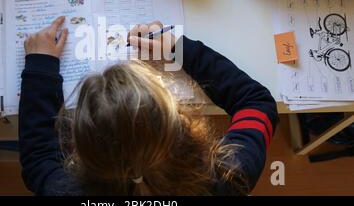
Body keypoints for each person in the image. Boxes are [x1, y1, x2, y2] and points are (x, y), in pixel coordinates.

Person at [19, 16, 278, 195]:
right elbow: (257, 103)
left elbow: (39, 159)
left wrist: (40, 68)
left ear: (78, 148)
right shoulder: (229, 177)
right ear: (181, 122)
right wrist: (180, 50)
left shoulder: (63, 190)